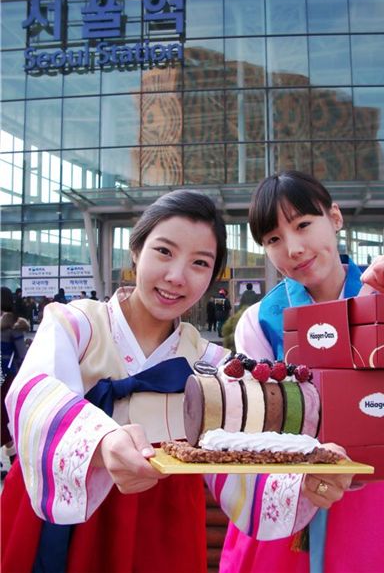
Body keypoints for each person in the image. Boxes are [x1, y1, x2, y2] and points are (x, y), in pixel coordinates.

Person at [217, 171, 384, 573]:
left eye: (303, 225)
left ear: (334, 217)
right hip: (296, 491)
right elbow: (254, 423)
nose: (294, 248)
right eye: (273, 239)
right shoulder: (260, 320)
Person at [2, 190, 229, 573]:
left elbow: (238, 452)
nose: (176, 276)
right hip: (65, 505)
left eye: (200, 263)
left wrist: (303, 481)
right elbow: (33, 392)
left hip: (164, 523)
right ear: (136, 250)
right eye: (164, 251)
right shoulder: (76, 324)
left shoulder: (209, 362)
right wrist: (100, 441)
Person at [1, 287, 30, 466]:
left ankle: (13, 462)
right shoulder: (13, 325)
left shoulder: (10, 325)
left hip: (3, 375)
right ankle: (14, 463)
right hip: (7, 376)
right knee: (5, 418)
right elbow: (22, 355)